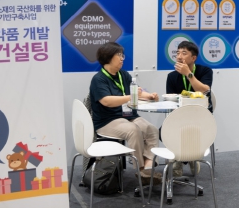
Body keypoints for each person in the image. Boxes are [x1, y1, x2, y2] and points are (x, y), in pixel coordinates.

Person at [89, 42, 161, 184]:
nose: (122, 58)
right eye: (119, 55)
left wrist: (150, 96)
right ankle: (140, 170)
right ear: (108, 56)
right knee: (133, 130)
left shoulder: (124, 75)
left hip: (129, 116)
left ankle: (148, 167)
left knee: (151, 129)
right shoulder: (99, 79)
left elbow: (137, 91)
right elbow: (106, 101)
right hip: (107, 121)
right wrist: (130, 97)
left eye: (122, 55)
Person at [165, 41, 213, 177]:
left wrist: (189, 74)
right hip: (180, 115)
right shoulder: (172, 76)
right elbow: (171, 100)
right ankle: (188, 157)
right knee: (164, 131)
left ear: (193, 58)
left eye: (184, 53)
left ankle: (184, 158)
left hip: (201, 115)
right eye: (177, 53)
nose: (179, 56)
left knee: (188, 130)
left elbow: (204, 90)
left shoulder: (205, 71)